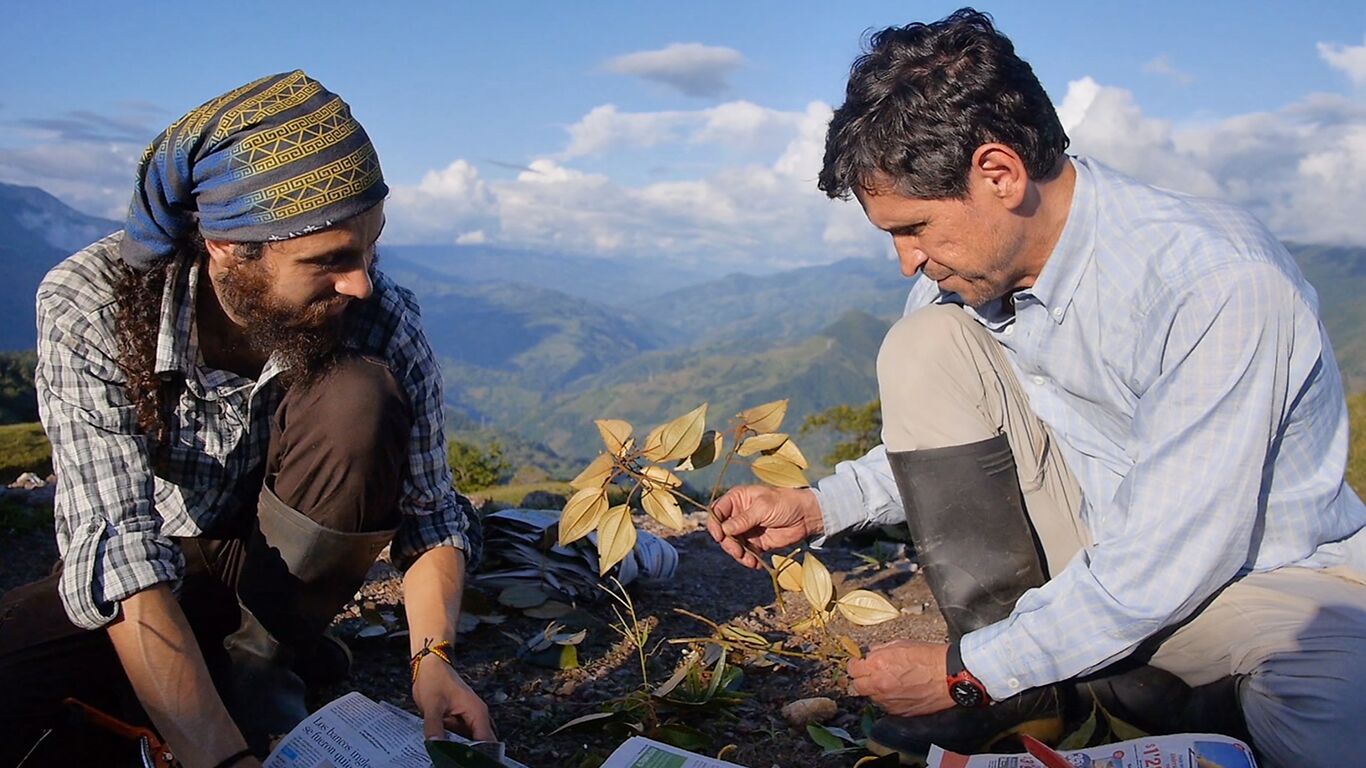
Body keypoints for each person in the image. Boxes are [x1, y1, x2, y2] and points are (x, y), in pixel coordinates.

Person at [707, 10, 1366, 768]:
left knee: (1332, 718)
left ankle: (1106, 684)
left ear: (999, 173)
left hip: (1252, 578)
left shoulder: (1213, 283)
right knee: (925, 343)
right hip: (1094, 551)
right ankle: (1044, 691)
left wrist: (966, 672)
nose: (907, 260)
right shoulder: (965, 278)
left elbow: (1174, 554)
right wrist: (821, 506)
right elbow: (969, 456)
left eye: (913, 227)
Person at [0, 71, 492, 767]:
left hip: (282, 566)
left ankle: (264, 665)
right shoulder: (93, 304)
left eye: (370, 247)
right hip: (159, 569)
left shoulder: (380, 316)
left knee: (359, 396)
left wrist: (432, 661)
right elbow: (120, 557)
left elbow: (431, 514)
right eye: (329, 261)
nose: (361, 282)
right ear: (228, 248)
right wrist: (223, 760)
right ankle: (231, 673)